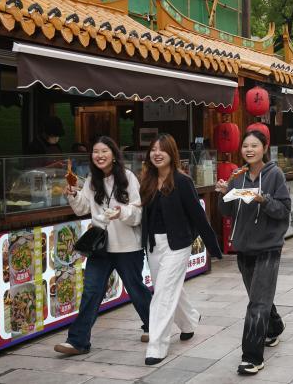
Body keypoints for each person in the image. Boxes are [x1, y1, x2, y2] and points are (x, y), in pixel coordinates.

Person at [55, 137, 151, 356]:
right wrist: (74, 195)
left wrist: (121, 213)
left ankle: (154, 326)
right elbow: (82, 209)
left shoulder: (128, 177)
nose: (99, 156)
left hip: (127, 246)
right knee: (91, 291)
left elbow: (138, 212)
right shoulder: (91, 180)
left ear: (114, 154)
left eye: (104, 151)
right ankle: (78, 341)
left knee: (136, 288)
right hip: (100, 247)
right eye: (96, 152)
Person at [140, 134, 223, 365]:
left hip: (177, 245)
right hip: (153, 245)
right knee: (167, 288)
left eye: (162, 149)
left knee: (162, 294)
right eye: (153, 149)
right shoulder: (147, 180)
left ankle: (157, 345)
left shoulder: (182, 181)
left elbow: (198, 216)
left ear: (172, 153)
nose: (157, 153)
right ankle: (189, 321)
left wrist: (214, 248)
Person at [216, 131, 291, 376]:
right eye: (245, 146)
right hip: (244, 246)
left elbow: (283, 210)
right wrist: (224, 192)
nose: (249, 150)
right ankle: (274, 327)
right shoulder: (238, 176)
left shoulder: (275, 174)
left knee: (257, 303)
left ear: (264, 148)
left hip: (269, 247)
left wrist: (263, 200)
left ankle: (251, 357)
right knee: (259, 296)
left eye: (254, 145)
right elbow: (227, 211)